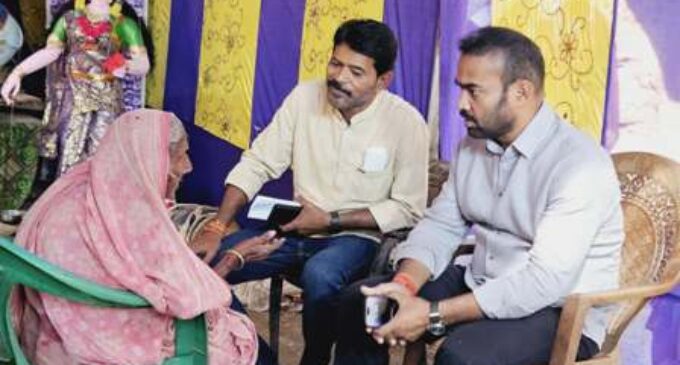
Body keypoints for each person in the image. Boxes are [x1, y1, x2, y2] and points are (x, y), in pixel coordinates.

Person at [333, 26, 625, 365]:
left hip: (559, 311)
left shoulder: (579, 166)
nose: (460, 104)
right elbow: (440, 225)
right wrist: (405, 285)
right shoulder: (473, 145)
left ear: (521, 92)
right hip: (481, 282)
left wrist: (433, 314)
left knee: (461, 357)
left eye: (473, 91)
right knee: (364, 305)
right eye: (460, 89)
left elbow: (544, 282)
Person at [189, 19, 430, 365]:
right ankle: (258, 355)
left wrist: (329, 220)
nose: (339, 77)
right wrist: (216, 226)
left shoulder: (406, 123)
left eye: (356, 72)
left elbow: (407, 208)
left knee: (323, 275)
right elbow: (258, 162)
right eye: (336, 63)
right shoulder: (305, 97)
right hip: (292, 229)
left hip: (355, 236)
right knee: (204, 266)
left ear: (383, 80)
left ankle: (314, 357)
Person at [13, 109, 285, 365]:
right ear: (153, 160)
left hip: (48, 339)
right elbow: (186, 297)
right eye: (181, 156)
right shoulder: (132, 217)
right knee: (243, 339)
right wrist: (234, 258)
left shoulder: (67, 193)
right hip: (109, 342)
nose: (188, 167)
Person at [1, 0, 151, 207]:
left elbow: (143, 64)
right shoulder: (69, 20)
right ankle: (67, 212)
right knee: (69, 160)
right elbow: (50, 52)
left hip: (106, 103)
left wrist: (124, 64)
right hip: (74, 102)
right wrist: (17, 73)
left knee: (101, 159)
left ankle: (98, 212)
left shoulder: (124, 24)